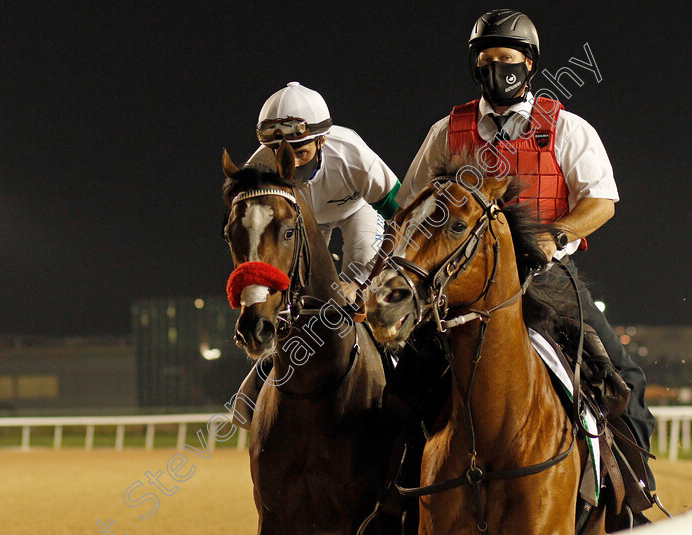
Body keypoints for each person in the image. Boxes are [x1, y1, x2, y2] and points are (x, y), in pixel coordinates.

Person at [394, 7, 656, 522]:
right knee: (402, 385)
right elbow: (412, 201)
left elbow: (602, 199)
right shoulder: (448, 131)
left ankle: (632, 496)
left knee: (620, 375)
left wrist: (559, 234)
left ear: (530, 64)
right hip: (462, 284)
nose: (498, 69)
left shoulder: (567, 128)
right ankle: (393, 500)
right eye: (488, 60)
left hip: (547, 277)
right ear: (477, 67)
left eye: (508, 59)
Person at [248, 82, 401, 295]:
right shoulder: (258, 166)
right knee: (301, 289)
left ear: (322, 140)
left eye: (301, 152)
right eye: (281, 153)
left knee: (357, 288)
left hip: (357, 209)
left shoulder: (355, 157)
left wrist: (362, 283)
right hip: (306, 218)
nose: (293, 165)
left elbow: (404, 218)